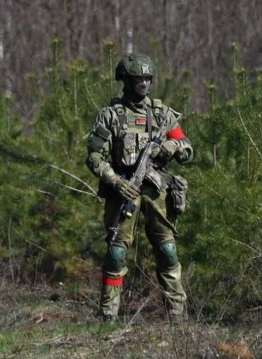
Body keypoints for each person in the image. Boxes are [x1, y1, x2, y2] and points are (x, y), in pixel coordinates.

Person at [86, 53, 194, 322]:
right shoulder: (111, 115)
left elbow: (188, 150)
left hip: (156, 190)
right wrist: (115, 181)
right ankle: (109, 316)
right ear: (125, 79)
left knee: (167, 251)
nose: (144, 82)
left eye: (148, 78)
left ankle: (177, 314)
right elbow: (94, 157)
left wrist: (174, 145)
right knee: (116, 253)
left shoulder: (162, 114)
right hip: (123, 190)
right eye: (138, 78)